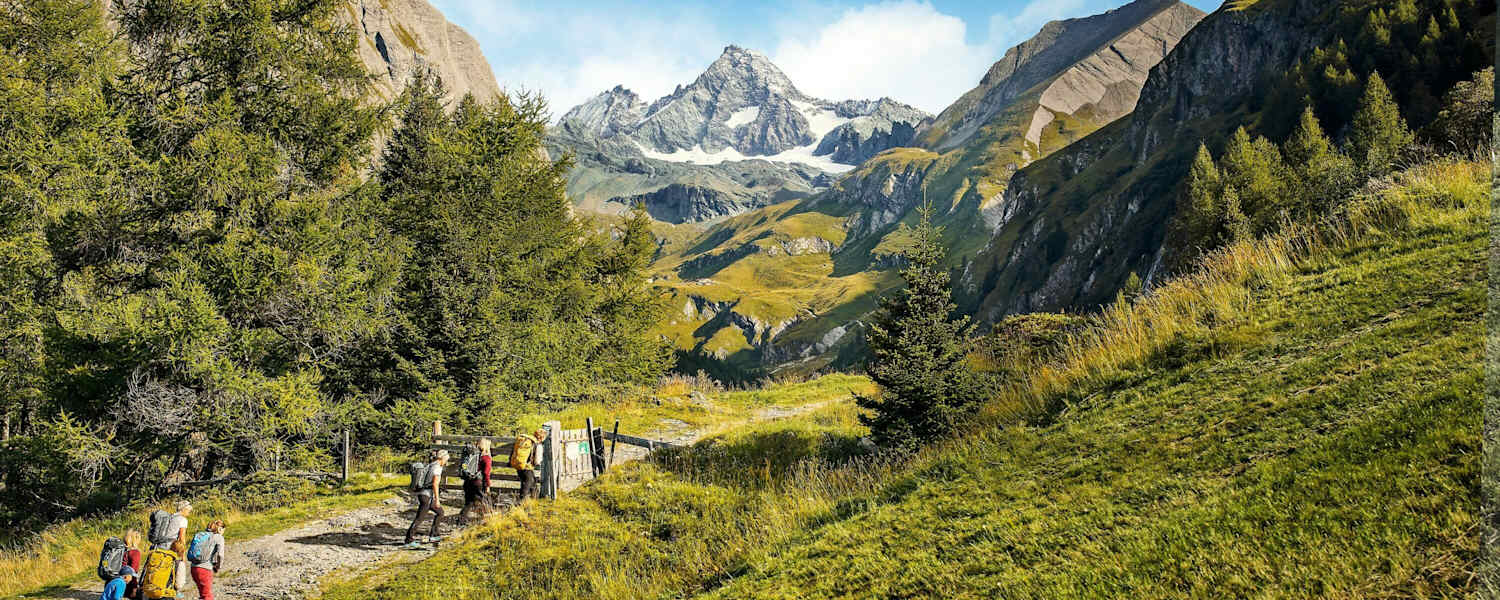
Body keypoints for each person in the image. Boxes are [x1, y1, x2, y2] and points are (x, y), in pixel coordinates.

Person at [402, 449, 448, 549]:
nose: (446, 461)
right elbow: (435, 484)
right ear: (443, 458)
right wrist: (437, 499)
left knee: (440, 512)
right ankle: (408, 540)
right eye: (446, 459)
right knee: (419, 518)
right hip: (426, 496)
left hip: (424, 495)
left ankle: (434, 535)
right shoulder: (437, 468)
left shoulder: (432, 465)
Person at [457, 438, 493, 525]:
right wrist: (488, 485)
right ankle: (490, 520)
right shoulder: (486, 458)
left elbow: (465, 466)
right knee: (484, 500)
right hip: (478, 482)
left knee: (469, 502)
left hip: (468, 481)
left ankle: (461, 520)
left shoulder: (471, 455)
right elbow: (486, 473)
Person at [188, 520, 225, 600]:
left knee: (203, 594)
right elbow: (220, 555)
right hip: (205, 569)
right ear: (220, 529)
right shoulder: (219, 537)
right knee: (207, 596)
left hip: (193, 568)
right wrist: (218, 566)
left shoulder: (200, 535)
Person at [513, 428, 548, 500]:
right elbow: (537, 461)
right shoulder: (537, 444)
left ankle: (534, 499)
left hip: (519, 464)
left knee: (531, 482)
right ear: (541, 437)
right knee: (527, 484)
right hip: (527, 467)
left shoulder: (526, 440)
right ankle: (521, 502)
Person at [167, 501, 192, 592]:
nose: (189, 513)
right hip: (173, 546)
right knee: (175, 567)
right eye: (188, 511)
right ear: (184, 509)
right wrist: (183, 554)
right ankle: (173, 589)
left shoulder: (170, 516)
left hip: (163, 545)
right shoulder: (183, 520)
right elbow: (182, 537)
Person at [122, 529, 144, 600]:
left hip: (118, 581)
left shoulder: (122, 551)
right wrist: (134, 588)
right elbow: (133, 572)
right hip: (128, 584)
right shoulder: (135, 553)